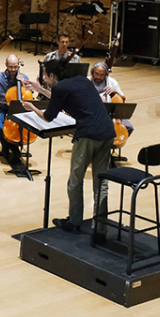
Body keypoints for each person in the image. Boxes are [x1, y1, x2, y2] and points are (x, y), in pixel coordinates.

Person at [20, 60, 115, 237]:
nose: (44, 79)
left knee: (75, 181)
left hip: (88, 135)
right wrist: (40, 90)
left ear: (53, 75)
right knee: (101, 183)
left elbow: (48, 116)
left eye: (45, 75)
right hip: (108, 132)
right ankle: (101, 228)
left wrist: (31, 107)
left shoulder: (60, 88)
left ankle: (74, 221)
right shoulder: (82, 80)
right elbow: (62, 98)